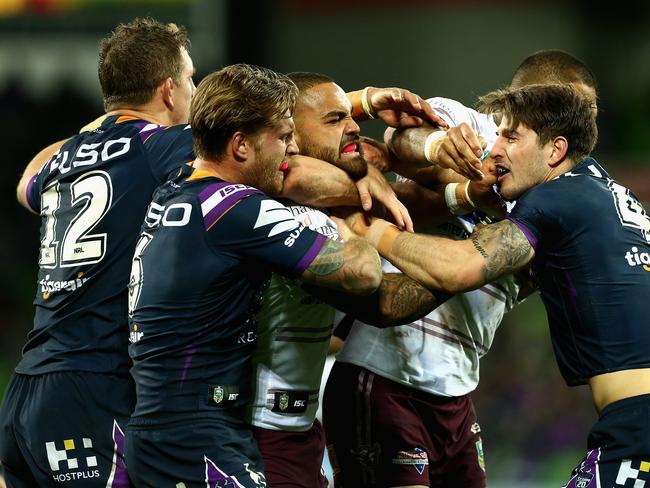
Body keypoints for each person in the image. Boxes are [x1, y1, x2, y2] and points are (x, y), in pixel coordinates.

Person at [347, 83, 650, 488]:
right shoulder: (606, 193)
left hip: (639, 421)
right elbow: (402, 142)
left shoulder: (555, 198)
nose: (496, 149)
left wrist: (364, 226)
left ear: (555, 150)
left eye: (511, 136)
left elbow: (459, 269)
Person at [123, 63, 385, 487]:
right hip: (201, 435)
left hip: (151, 428)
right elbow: (363, 274)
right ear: (241, 145)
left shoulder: (175, 185)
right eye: (283, 138)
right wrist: (349, 233)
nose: (291, 149)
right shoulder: (238, 207)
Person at [0, 17, 196, 487]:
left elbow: (26, 184)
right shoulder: (165, 146)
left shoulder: (65, 158)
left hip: (28, 386)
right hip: (92, 389)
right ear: (168, 90)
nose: (196, 91)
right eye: (191, 80)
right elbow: (263, 151)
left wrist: (99, 127)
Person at [248, 71, 448, 488]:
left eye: (351, 116)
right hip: (261, 434)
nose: (354, 126)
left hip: (297, 430)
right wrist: (477, 269)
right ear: (291, 138)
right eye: (335, 119)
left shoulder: (319, 205)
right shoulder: (281, 215)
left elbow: (412, 199)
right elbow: (384, 302)